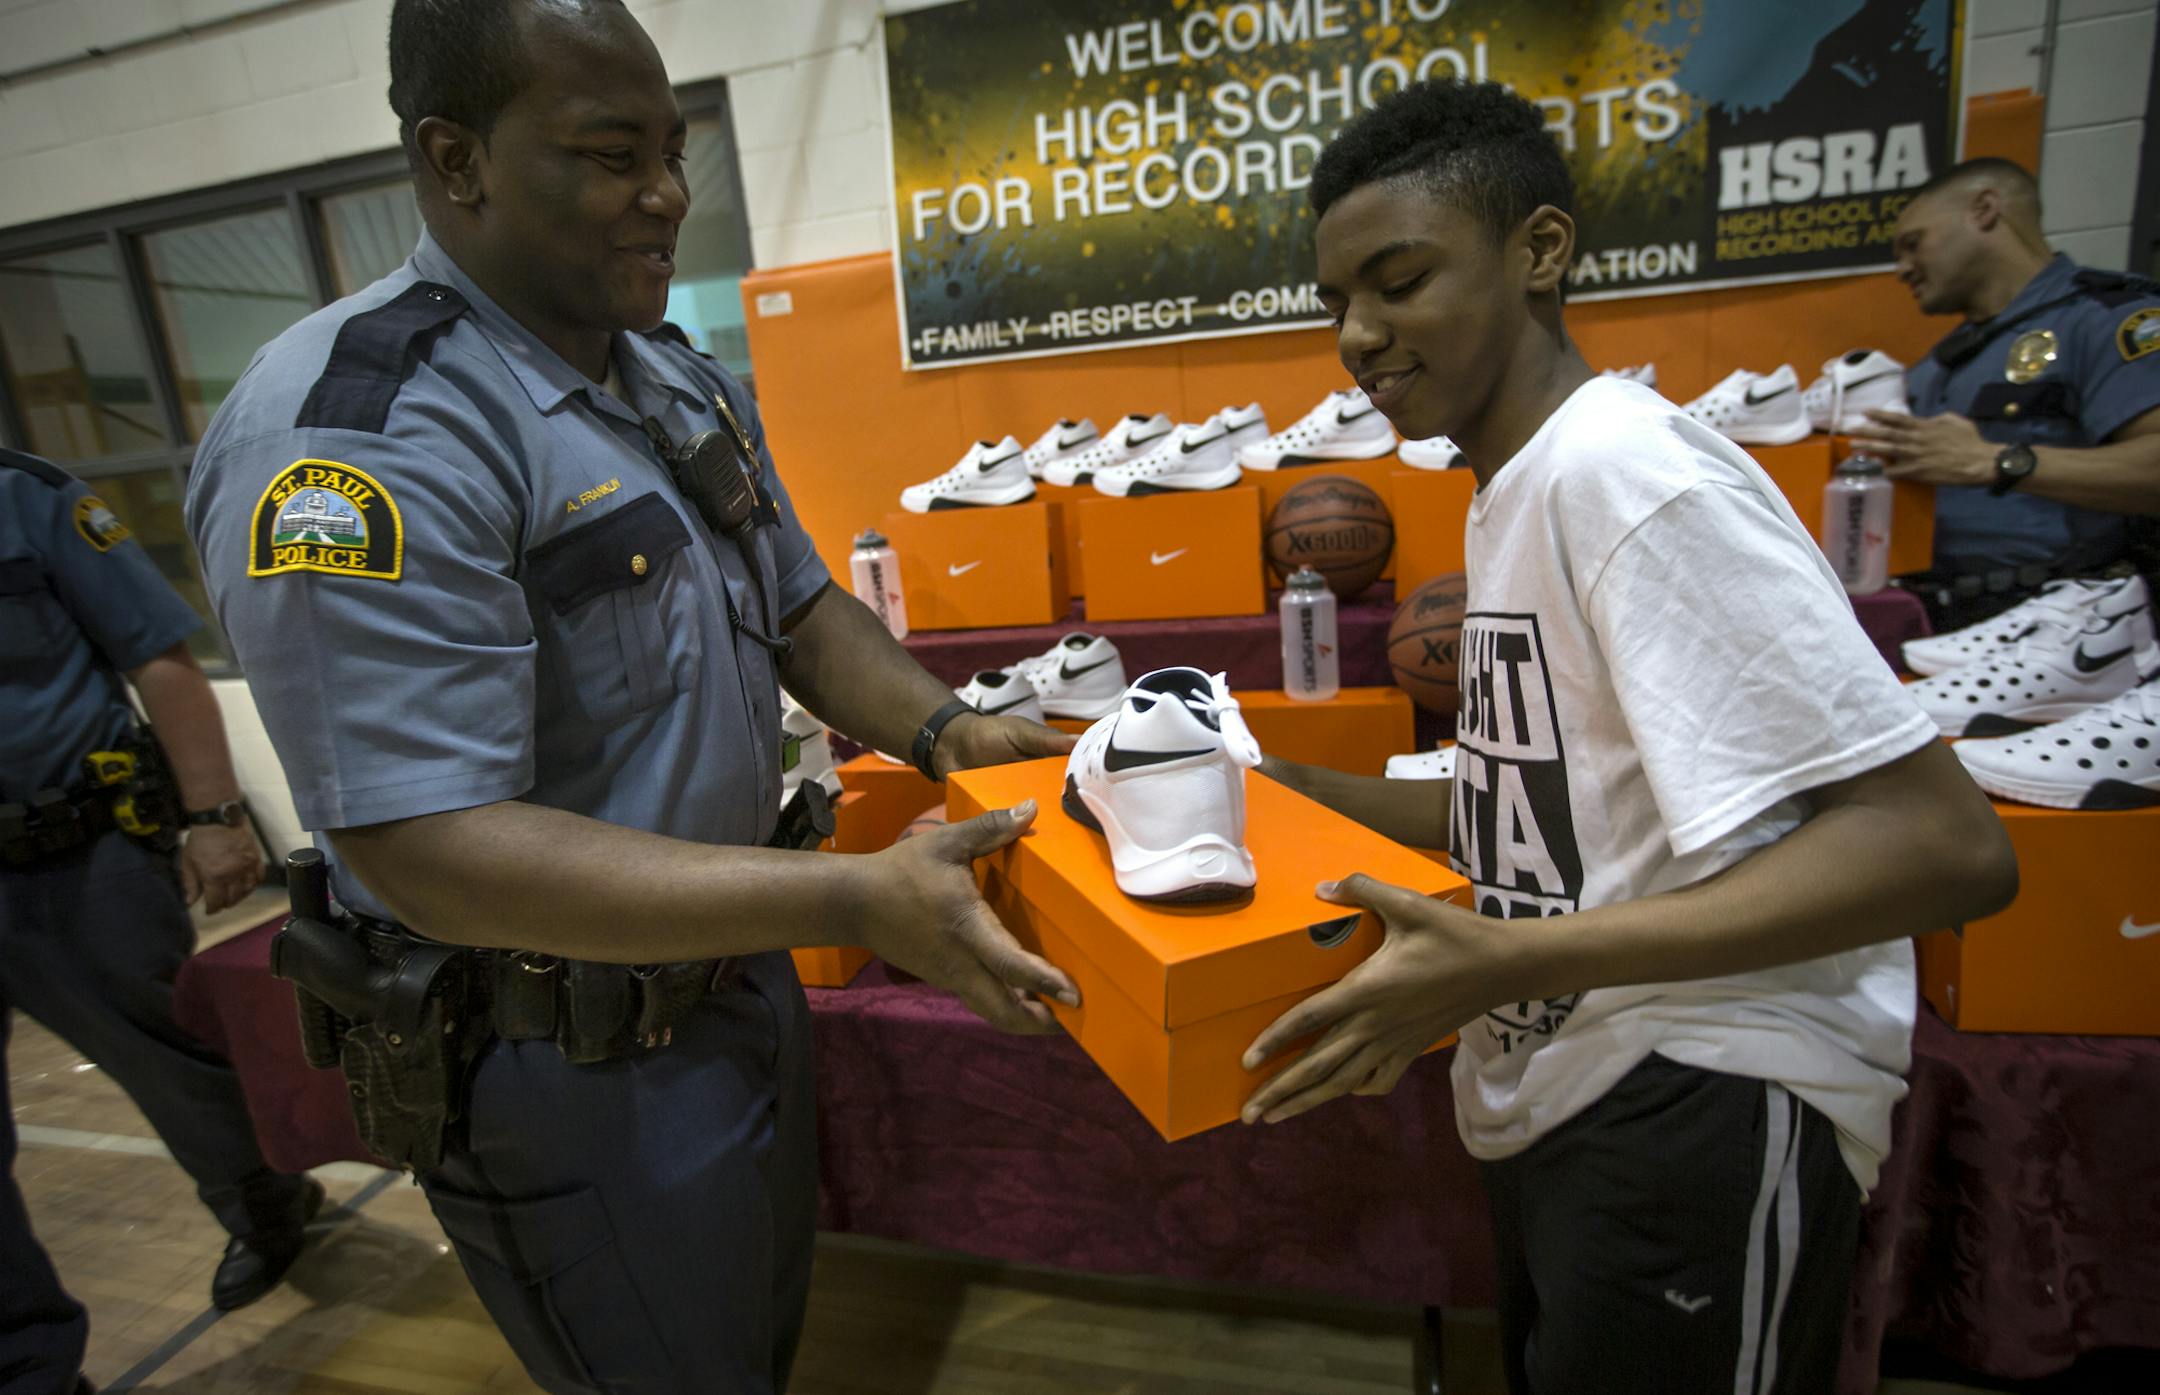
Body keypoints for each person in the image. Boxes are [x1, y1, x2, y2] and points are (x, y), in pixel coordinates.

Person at [182, 3, 1078, 1393]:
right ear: (455, 158)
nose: (665, 193)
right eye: (611, 154)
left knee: (746, 1345)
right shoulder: (356, 438)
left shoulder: (666, 376)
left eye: (672, 149)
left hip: (735, 982)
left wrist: (946, 727)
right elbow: (425, 848)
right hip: (568, 1062)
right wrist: (850, 899)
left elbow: (800, 606)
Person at [1237, 82, 2018, 1394]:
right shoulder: (1515, 489)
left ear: (1541, 250)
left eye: (1400, 279)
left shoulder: (1625, 474)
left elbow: (1941, 844)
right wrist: (1262, 782)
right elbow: (1538, 812)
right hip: (1584, 1075)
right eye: (1337, 304)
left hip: (1707, 1091)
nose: (1359, 336)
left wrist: (1498, 959)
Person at [2, 450, 323, 1395]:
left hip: (72, 856)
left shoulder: (28, 498)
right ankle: (29, 1363)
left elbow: (159, 659)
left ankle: (263, 1200)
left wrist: (217, 818)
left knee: (164, 1048)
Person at [1849, 157, 2160, 632]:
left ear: (1985, 210)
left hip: (2066, 623)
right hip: (1942, 617)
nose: (1903, 269)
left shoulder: (2106, 319)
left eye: (1914, 244)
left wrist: (1999, 462)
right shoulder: (1936, 367)